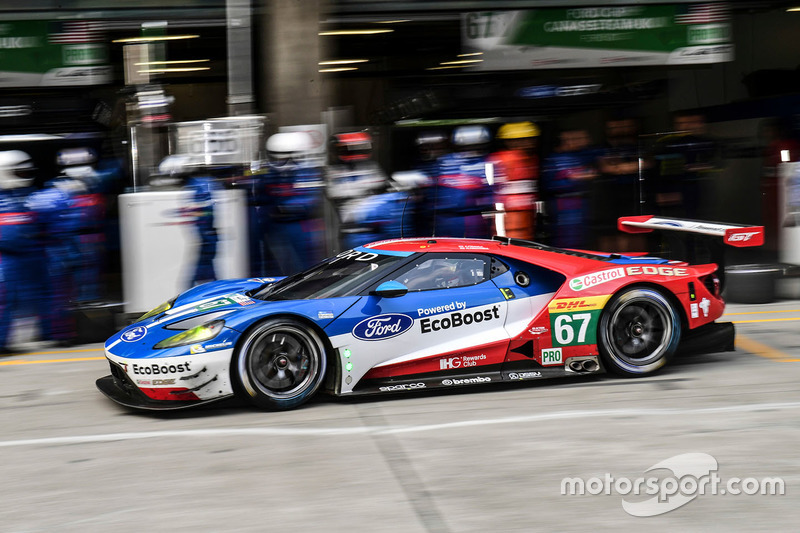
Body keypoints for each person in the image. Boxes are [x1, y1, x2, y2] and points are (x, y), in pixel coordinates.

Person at [261, 131, 325, 274]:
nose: (282, 162)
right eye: (278, 157)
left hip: (301, 225)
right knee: (276, 265)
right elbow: (263, 196)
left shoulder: (307, 172)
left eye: (286, 157)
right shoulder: (270, 173)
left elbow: (310, 200)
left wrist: (287, 208)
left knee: (306, 266)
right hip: (274, 225)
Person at [0, 151, 42, 352]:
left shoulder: (25, 196)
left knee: (16, 300)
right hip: (5, 258)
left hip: (26, 255)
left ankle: (4, 342)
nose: (24, 175)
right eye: (19, 172)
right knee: (3, 300)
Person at [158, 155, 220, 286]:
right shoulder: (202, 184)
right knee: (208, 276)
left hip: (206, 239)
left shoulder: (198, 187)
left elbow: (205, 213)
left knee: (194, 280)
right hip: (207, 238)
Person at [430, 125, 495, 238]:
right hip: (447, 218)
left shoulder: (488, 163)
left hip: (475, 218)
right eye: (465, 147)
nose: (470, 150)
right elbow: (435, 192)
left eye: (475, 146)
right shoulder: (445, 162)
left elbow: (492, 193)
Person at [595, 117, 647, 252]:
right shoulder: (602, 148)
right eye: (614, 127)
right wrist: (628, 167)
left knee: (635, 229)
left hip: (634, 193)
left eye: (623, 126)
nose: (619, 130)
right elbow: (607, 168)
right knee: (610, 232)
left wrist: (619, 167)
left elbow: (646, 163)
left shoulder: (637, 145)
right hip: (608, 195)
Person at [541, 128, 598, 249]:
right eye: (575, 139)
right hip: (563, 203)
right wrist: (573, 179)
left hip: (581, 202)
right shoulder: (553, 160)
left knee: (581, 235)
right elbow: (549, 185)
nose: (583, 141)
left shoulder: (582, 156)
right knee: (565, 237)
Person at [490, 121, 540, 241]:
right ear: (509, 141)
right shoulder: (499, 159)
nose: (528, 143)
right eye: (522, 139)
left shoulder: (533, 159)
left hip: (527, 213)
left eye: (530, 139)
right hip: (508, 215)